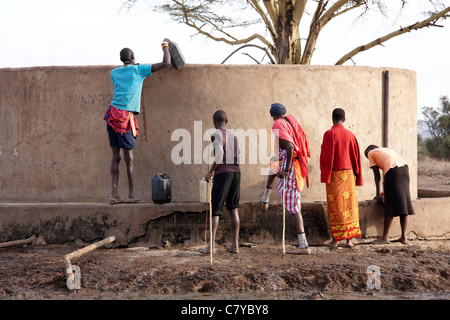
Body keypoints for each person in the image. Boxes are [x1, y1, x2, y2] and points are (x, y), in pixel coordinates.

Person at [104, 40, 171, 204]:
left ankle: (114, 194)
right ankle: (131, 195)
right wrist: (165, 45)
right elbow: (166, 63)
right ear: (133, 57)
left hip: (112, 114)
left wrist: (134, 64)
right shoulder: (139, 70)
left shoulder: (114, 72)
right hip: (124, 117)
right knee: (129, 158)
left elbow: (127, 72)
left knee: (115, 157)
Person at [261, 103, 311, 255]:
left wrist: (286, 170)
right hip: (289, 168)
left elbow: (289, 147)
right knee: (294, 206)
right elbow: (275, 161)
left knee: (294, 207)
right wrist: (267, 194)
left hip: (290, 171)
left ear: (272, 115)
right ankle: (302, 243)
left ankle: (304, 246)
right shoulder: (289, 122)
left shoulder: (278, 124)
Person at [319, 108, 363, 248]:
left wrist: (325, 174)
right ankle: (349, 240)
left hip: (335, 175)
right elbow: (356, 157)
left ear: (332, 119)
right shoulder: (351, 135)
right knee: (350, 206)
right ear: (344, 119)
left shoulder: (329, 134)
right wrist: (357, 175)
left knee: (336, 207)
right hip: (349, 175)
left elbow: (325, 157)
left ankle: (335, 240)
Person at [202, 110, 241, 254]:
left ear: (214, 121)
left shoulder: (216, 134)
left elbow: (219, 155)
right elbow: (239, 155)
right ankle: (235, 245)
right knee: (233, 209)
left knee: (216, 210)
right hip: (236, 172)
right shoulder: (234, 136)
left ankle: (211, 246)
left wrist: (210, 171)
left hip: (223, 173)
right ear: (227, 120)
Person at [364, 145, 415, 244]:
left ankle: (384, 237)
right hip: (404, 171)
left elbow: (377, 175)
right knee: (403, 203)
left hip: (393, 173)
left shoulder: (370, 153)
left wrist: (378, 194)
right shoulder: (387, 150)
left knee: (389, 203)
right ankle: (404, 237)